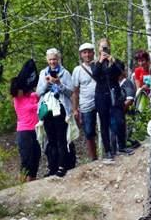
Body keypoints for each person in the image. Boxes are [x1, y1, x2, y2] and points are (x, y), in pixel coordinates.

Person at [35, 48, 74, 177]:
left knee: (61, 138)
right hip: (47, 109)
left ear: (59, 59)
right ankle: (52, 167)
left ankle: (63, 166)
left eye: (55, 59)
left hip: (61, 108)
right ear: (47, 60)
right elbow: (39, 92)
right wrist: (47, 83)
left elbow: (70, 92)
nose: (53, 62)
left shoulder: (65, 73)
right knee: (50, 139)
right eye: (50, 59)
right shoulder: (42, 73)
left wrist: (59, 83)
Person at [94, 37, 127, 162]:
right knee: (104, 123)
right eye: (102, 47)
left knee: (119, 120)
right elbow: (95, 75)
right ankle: (108, 150)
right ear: (98, 49)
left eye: (106, 47)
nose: (104, 49)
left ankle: (122, 146)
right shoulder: (96, 63)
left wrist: (112, 63)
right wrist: (100, 61)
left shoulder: (116, 61)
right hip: (101, 96)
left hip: (115, 94)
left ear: (109, 47)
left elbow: (121, 73)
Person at [10, 60, 40, 182]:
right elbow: (18, 84)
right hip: (24, 132)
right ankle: (22, 186)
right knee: (26, 159)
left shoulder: (32, 96)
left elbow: (39, 91)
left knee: (36, 157)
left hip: (36, 130)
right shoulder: (17, 99)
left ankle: (32, 183)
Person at [71, 42, 100, 161]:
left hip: (102, 102)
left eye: (89, 52)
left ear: (93, 53)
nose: (87, 54)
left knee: (107, 128)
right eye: (84, 52)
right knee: (89, 132)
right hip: (86, 104)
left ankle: (110, 152)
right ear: (81, 55)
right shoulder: (78, 70)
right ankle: (94, 158)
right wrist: (75, 109)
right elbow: (75, 91)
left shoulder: (99, 65)